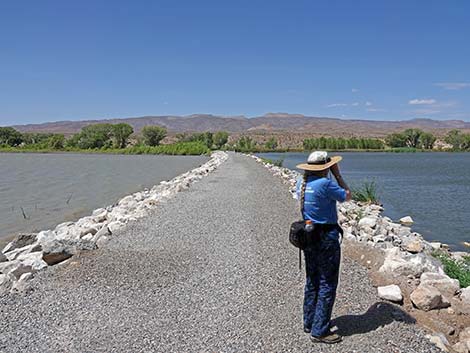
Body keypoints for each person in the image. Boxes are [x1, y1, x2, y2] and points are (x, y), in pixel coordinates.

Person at [295, 151, 351, 344]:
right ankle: (320, 331)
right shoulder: (326, 184)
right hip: (326, 236)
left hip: (309, 236)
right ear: (326, 167)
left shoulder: (301, 184)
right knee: (328, 282)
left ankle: (309, 322)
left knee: (312, 280)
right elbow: (347, 196)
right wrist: (337, 174)